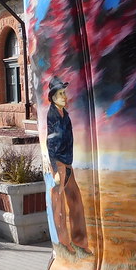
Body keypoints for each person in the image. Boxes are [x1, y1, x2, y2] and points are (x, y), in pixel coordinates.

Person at [46, 79, 89, 250]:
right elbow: (50, 144)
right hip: (58, 162)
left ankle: (80, 241)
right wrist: (55, 169)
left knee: (75, 199)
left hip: (67, 161)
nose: (64, 96)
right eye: (61, 94)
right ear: (53, 97)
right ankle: (64, 242)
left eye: (64, 93)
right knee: (59, 203)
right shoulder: (53, 116)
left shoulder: (65, 114)